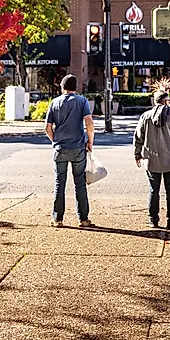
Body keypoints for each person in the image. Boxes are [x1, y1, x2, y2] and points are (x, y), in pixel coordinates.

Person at [133, 91, 170, 230]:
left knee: (153, 190)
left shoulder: (146, 116)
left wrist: (137, 154)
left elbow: (138, 137)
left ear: (154, 101)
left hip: (151, 159)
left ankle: (152, 219)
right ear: (166, 101)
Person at [45, 74, 95, 228]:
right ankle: (83, 219)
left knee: (60, 183)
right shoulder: (82, 101)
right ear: (76, 87)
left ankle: (57, 219)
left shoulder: (54, 102)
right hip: (78, 148)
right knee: (80, 183)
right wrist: (90, 142)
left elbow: (47, 128)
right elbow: (89, 123)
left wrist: (55, 141)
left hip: (60, 148)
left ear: (62, 87)